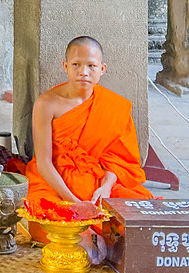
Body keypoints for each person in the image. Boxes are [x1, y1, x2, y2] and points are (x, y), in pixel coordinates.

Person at [25, 36, 152, 211]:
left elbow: (118, 160)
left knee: (137, 211)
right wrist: (75, 202)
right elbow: (43, 163)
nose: (83, 72)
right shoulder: (46, 104)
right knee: (57, 221)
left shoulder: (113, 106)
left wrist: (106, 186)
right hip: (53, 183)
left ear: (102, 69)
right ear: (66, 66)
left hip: (97, 181)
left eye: (91, 66)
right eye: (76, 64)